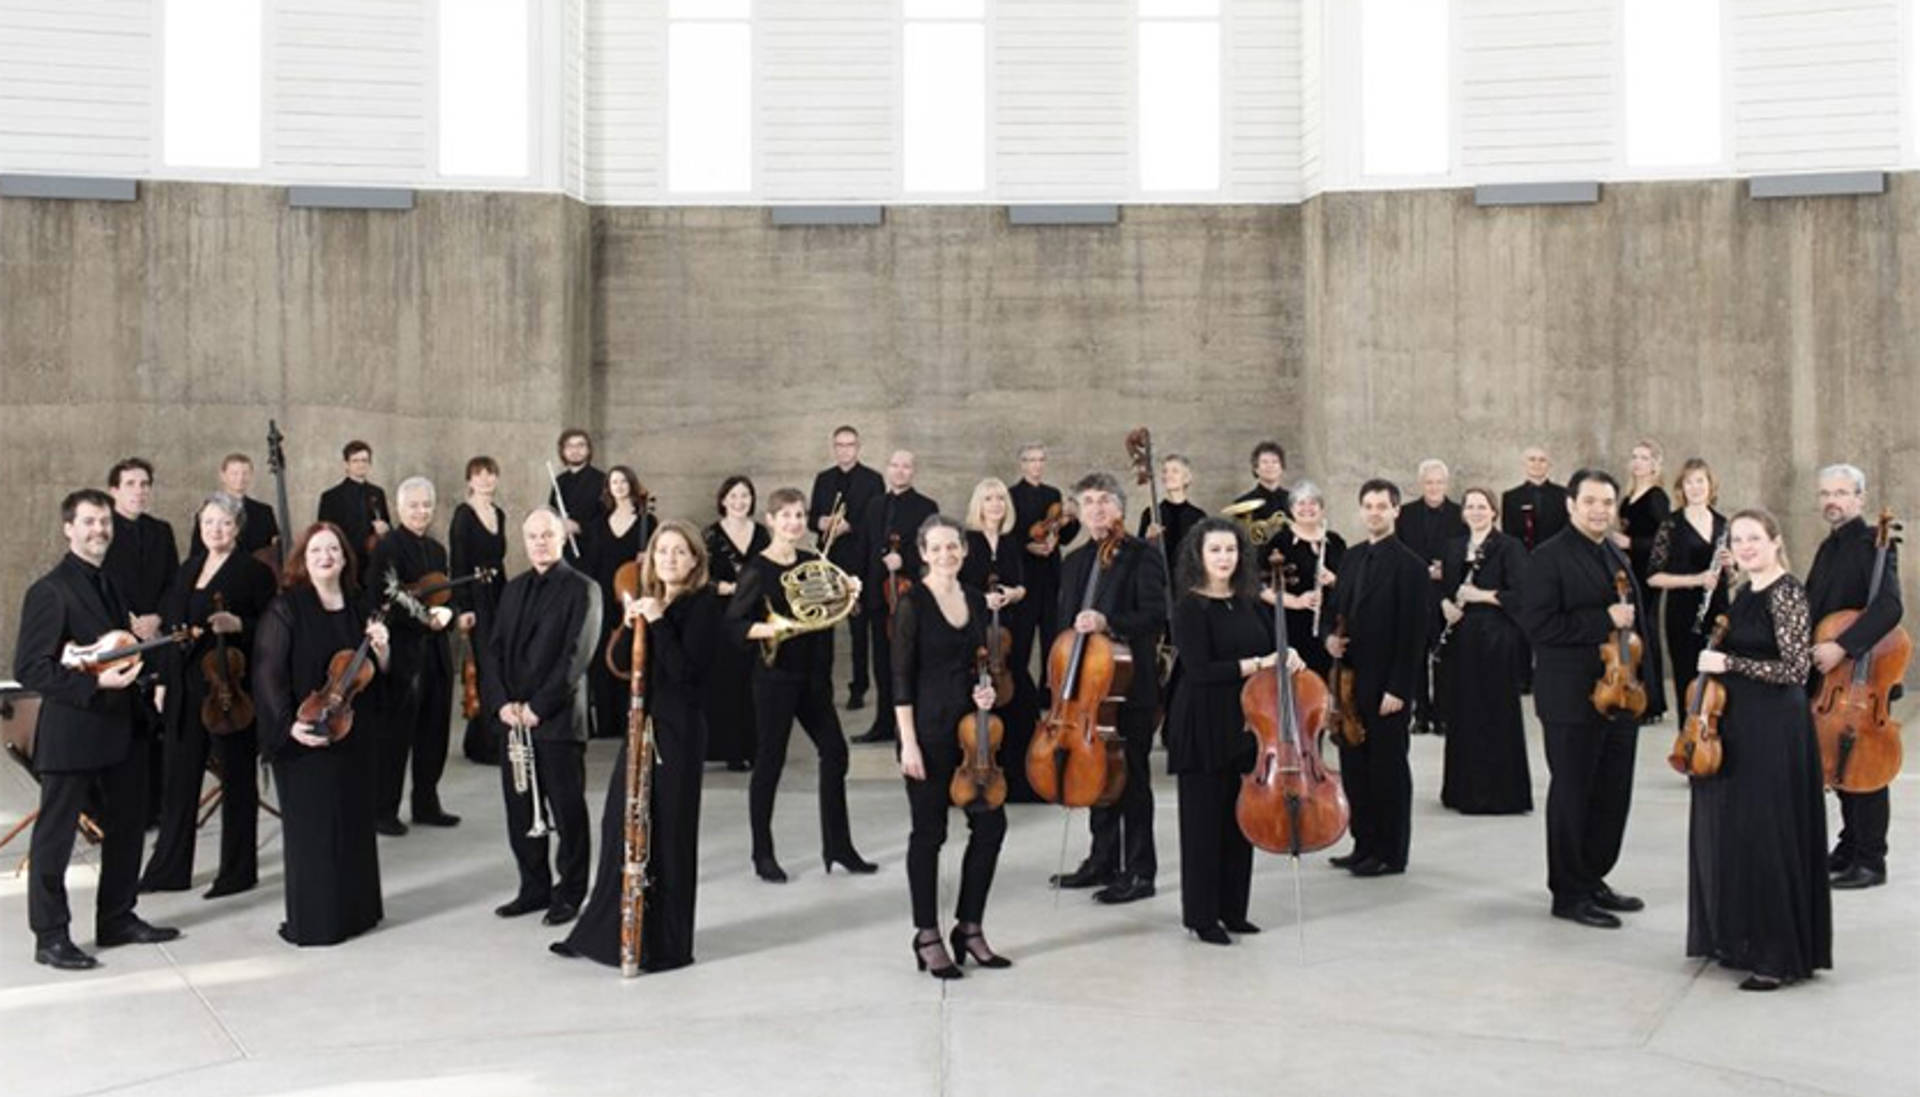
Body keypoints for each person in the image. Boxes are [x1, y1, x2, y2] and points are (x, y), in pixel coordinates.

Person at [14, 489, 182, 970]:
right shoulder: (49, 590)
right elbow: (30, 667)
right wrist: (96, 685)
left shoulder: (111, 584)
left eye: (104, 523)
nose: (98, 530)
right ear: (69, 528)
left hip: (122, 729)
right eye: (88, 522)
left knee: (128, 828)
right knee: (56, 837)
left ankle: (117, 917)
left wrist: (141, 679)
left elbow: (119, 650)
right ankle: (50, 937)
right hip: (73, 733)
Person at [557, 521, 720, 972]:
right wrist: (632, 624)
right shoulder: (651, 601)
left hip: (679, 731)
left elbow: (686, 675)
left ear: (694, 561)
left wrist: (659, 622)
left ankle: (665, 946)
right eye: (661, 551)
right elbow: (624, 668)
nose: (669, 559)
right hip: (641, 724)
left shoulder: (703, 605)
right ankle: (602, 931)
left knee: (666, 832)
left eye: (679, 552)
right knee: (619, 824)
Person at [1687, 509, 1832, 990]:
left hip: (1775, 726)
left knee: (1769, 832)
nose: (1746, 546)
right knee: (1740, 830)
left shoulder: (1787, 590)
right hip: (1739, 723)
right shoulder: (1743, 591)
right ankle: (1743, 938)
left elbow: (1794, 670)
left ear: (1775, 541)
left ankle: (1778, 955)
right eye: (1738, 539)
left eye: (1755, 538)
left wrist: (1728, 661)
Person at [1518, 469, 1655, 929]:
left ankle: (1593, 877)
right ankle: (1568, 893)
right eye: (1591, 501)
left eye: (1607, 502)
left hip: (1621, 695)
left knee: (1611, 795)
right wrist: (1603, 620)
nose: (1600, 509)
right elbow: (1537, 625)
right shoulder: (1547, 558)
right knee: (1573, 795)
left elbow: (1635, 626)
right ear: (1572, 505)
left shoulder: (1612, 551)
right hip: (1572, 699)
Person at [728, 488, 876, 882]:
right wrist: (776, 627)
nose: (794, 522)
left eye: (799, 515)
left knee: (836, 754)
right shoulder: (756, 569)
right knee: (770, 764)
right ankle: (762, 853)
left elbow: (836, 610)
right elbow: (733, 626)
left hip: (814, 678)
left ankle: (838, 846)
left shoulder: (815, 561)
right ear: (770, 521)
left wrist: (851, 595)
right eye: (786, 515)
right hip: (775, 679)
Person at [253, 522, 389, 947]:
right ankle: (317, 922)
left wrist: (383, 651)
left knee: (352, 826)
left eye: (333, 549)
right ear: (303, 560)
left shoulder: (360, 607)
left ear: (345, 558)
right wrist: (288, 726)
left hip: (351, 732)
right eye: (316, 551)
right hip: (305, 737)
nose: (326, 557)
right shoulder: (287, 608)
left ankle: (357, 913)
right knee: (313, 834)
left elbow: (376, 677)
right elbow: (267, 674)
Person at [1168, 518, 1302, 944]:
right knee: (1203, 824)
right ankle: (1202, 917)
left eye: (1230, 550)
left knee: (1240, 820)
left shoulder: (1248, 602)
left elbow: (1269, 649)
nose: (1224, 558)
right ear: (1199, 556)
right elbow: (1200, 669)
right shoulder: (1188, 606)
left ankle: (1234, 909)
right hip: (1203, 722)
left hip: (1248, 724)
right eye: (1215, 551)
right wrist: (1259, 665)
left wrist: (1288, 653)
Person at [140, 493, 277, 897]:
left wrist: (239, 624)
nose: (215, 529)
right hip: (184, 687)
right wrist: (163, 681)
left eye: (224, 523)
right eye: (208, 522)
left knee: (236, 780)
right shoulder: (187, 569)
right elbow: (171, 630)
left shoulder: (254, 573)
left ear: (237, 528)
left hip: (228, 692)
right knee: (179, 782)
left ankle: (237, 872)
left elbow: (273, 630)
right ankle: (168, 870)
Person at [894, 515, 1012, 979]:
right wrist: (908, 744)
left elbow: (981, 664)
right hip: (925, 733)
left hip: (971, 734)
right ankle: (926, 934)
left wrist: (985, 691)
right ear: (923, 553)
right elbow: (900, 679)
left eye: (953, 547)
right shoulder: (911, 604)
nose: (946, 555)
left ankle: (970, 925)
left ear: (964, 551)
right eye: (937, 548)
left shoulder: (974, 601)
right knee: (929, 835)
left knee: (990, 828)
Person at [1050, 472, 1168, 905]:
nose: (1096, 508)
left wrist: (1108, 622)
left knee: (1132, 779)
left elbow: (1157, 615)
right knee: (1095, 775)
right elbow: (1065, 627)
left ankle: (1140, 871)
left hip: (1129, 687)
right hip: (1087, 690)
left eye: (1104, 501)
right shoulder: (1075, 562)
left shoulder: (1141, 555)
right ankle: (1102, 861)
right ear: (1079, 511)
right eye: (1088, 502)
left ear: (1119, 508)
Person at [484, 508, 602, 927]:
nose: (539, 542)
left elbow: (575, 658)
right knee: (520, 809)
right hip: (514, 718)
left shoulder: (584, 589)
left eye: (547, 535)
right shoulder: (513, 589)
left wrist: (538, 707)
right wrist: (501, 704)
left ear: (561, 537)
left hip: (555, 720)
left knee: (566, 810)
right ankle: (533, 889)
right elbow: (493, 649)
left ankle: (570, 892)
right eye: (532, 535)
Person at [1805, 464, 1902, 890]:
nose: (1833, 500)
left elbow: (1888, 608)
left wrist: (1841, 647)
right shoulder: (1829, 548)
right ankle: (1849, 845)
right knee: (1837, 761)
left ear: (1859, 499)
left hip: (1860, 675)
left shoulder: (1872, 545)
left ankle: (1871, 859)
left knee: (1864, 765)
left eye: (1842, 493)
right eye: (1826, 493)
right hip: (1832, 681)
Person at [1322, 479, 1427, 876]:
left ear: (1396, 511)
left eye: (1382, 506)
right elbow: (1334, 613)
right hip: (1350, 682)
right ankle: (1363, 843)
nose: (1375, 512)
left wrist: (1399, 689)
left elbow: (1415, 635)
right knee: (1355, 767)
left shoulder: (1411, 567)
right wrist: (1329, 639)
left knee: (1388, 770)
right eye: (1368, 505)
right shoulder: (1349, 558)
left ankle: (1390, 852)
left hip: (1387, 685)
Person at [366, 476, 459, 834]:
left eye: (426, 506)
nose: (421, 512)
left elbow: (446, 594)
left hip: (435, 651)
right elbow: (386, 596)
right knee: (396, 734)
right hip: (404, 650)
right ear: (400, 509)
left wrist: (451, 614)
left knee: (435, 729)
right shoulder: (387, 546)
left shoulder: (437, 550)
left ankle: (427, 803)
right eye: (413, 506)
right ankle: (383, 809)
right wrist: (425, 619)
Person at [1436, 488, 1532, 815]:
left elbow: (1521, 594)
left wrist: (1480, 595)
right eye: (1470, 506)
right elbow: (1444, 587)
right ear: (1463, 513)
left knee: (1494, 712)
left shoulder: (1509, 547)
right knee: (1464, 712)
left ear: (1494, 512)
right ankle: (1462, 790)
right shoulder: (1453, 546)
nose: (1476, 512)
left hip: (1496, 637)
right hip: (1462, 637)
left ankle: (1499, 794)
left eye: (1483, 506)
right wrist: (1446, 604)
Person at [960, 478, 1037, 802]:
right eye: (989, 498)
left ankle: (1019, 781)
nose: (995, 504)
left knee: (1023, 701)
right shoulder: (967, 541)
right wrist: (982, 599)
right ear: (979, 504)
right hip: (977, 630)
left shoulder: (1010, 541)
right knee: (977, 699)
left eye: (1001, 499)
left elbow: (1021, 584)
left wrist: (1013, 593)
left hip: (1008, 635)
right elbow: (957, 584)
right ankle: (977, 777)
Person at [854, 451, 938, 744]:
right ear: (887, 469)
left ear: (913, 471)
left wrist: (905, 560)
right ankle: (882, 723)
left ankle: (910, 725)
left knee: (909, 660)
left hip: (908, 595)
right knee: (881, 662)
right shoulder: (875, 505)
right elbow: (864, 549)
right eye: (895, 466)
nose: (900, 471)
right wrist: (859, 590)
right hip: (879, 595)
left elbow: (931, 548)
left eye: (906, 466)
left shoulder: (927, 506)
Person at [1647, 458, 1731, 721]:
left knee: (1719, 684)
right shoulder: (1671, 525)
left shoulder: (1723, 523)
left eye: (1700, 481)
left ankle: (1714, 749)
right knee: (1687, 681)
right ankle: (1689, 744)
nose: (1695, 487)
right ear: (1681, 488)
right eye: (1689, 482)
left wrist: (1733, 566)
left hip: (1718, 613)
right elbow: (1653, 577)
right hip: (1682, 615)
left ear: (1710, 485)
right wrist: (1696, 579)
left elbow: (1733, 578)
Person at [809, 426, 886, 710]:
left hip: (859, 562)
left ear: (858, 447)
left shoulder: (873, 480)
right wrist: (821, 523)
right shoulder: (823, 479)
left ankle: (859, 688)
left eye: (849, 444)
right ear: (833, 447)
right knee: (823, 628)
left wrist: (849, 525)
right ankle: (822, 687)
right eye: (839, 445)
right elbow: (811, 517)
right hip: (828, 562)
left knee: (859, 631)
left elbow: (877, 520)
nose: (844, 450)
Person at [1396, 459, 1466, 736]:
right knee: (1416, 657)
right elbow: (1400, 549)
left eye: (1438, 482)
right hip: (1416, 592)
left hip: (1448, 595)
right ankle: (1421, 714)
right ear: (1421, 484)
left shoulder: (1460, 514)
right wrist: (1422, 569)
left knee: (1446, 657)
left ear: (1446, 484)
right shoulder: (1406, 513)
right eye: (1429, 482)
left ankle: (1444, 715)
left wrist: (1445, 570)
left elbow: (1465, 552)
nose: (1434, 487)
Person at [704, 476, 768, 770]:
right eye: (734, 496)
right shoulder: (711, 535)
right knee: (727, 684)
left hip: (755, 615)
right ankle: (731, 750)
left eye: (745, 496)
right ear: (723, 500)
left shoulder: (763, 533)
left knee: (754, 684)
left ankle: (755, 749)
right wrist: (723, 588)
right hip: (722, 616)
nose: (740, 502)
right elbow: (700, 577)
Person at [586, 466, 654, 740]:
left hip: (634, 597)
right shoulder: (599, 522)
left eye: (624, 480)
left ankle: (632, 717)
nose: (619, 485)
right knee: (602, 656)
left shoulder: (647, 521)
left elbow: (659, 559)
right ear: (608, 487)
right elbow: (591, 562)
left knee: (632, 654)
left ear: (632, 484)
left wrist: (646, 558)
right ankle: (606, 721)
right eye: (614, 481)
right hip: (605, 595)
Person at [449, 457, 508, 765]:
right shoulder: (463, 515)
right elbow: (457, 563)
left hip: (499, 592)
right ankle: (483, 743)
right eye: (479, 475)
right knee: (483, 668)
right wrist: (464, 606)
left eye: (490, 474)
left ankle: (492, 735)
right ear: (469, 480)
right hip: (475, 595)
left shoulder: (499, 513)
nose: (485, 479)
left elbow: (500, 560)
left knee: (499, 664)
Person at [1009, 443, 1079, 684]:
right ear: (1022, 464)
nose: (1036, 465)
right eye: (1031, 460)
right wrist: (1025, 546)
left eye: (1040, 460)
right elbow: (1007, 537)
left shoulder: (1053, 495)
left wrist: (1071, 520)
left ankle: (1048, 697)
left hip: (1050, 576)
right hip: (1024, 576)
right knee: (1022, 641)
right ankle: (1021, 700)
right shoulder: (1011, 495)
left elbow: (1064, 538)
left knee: (1052, 640)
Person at [1614, 440, 1670, 722]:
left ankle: (1652, 704)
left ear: (1654, 464)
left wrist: (1630, 542)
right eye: (1634, 457)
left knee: (1645, 633)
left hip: (1647, 576)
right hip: (1628, 573)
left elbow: (1665, 541)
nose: (1638, 462)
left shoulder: (1657, 496)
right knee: (1630, 635)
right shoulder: (1629, 497)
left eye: (1644, 458)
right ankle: (1631, 694)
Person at [1265, 482, 1345, 679]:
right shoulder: (1279, 542)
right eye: (1301, 503)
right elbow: (1261, 588)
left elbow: (1352, 583)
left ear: (1321, 508)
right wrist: (1297, 601)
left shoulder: (1335, 542)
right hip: (1292, 626)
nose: (1307, 508)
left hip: (1330, 628)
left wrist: (1334, 580)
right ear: (1291, 509)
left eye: (1313, 503)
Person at [316, 441, 390, 579]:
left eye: (364, 460)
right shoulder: (331, 497)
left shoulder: (377, 493)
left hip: (373, 562)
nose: (361, 464)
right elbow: (325, 533)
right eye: (355, 461)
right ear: (346, 464)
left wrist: (385, 528)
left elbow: (387, 524)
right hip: (345, 562)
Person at [189, 453, 281, 560]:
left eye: (245, 473)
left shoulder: (264, 512)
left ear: (251, 476)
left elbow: (272, 550)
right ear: (223, 476)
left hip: (256, 572)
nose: (241, 478)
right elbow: (197, 553)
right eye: (234, 473)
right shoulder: (209, 512)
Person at [549, 428, 607, 566]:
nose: (575, 450)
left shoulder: (602, 480)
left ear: (588, 450)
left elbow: (607, 519)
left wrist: (579, 527)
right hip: (563, 552)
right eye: (570, 446)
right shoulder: (559, 481)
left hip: (593, 553)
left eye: (580, 445)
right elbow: (552, 512)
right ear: (563, 451)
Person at [1137, 453, 1207, 562]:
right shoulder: (1151, 513)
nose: (1168, 475)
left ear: (1187, 479)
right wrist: (1147, 540)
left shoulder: (1198, 517)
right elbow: (1137, 554)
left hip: (1188, 577)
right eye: (1165, 471)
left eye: (1175, 471)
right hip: (1158, 576)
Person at [1501, 446, 1568, 552]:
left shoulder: (1564, 495)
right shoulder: (1510, 497)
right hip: (1523, 558)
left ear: (1549, 465)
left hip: (1557, 557)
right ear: (1524, 464)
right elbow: (1509, 536)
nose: (1537, 464)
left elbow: (1568, 530)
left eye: (1542, 460)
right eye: (1532, 459)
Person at [1232, 441, 1291, 524]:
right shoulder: (1242, 504)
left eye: (1275, 462)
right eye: (1264, 462)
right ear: (1256, 469)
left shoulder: (1293, 501)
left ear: (1282, 468)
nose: (1270, 466)